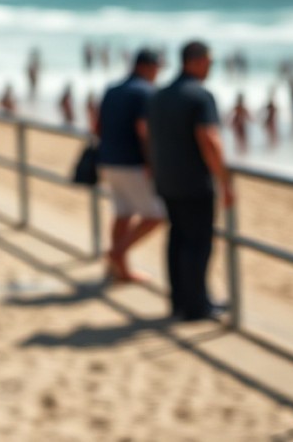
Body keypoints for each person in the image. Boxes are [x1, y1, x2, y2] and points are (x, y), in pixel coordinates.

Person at [148, 40, 234, 321]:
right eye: (209, 61)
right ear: (194, 61)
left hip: (167, 180)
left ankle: (178, 302)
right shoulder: (200, 95)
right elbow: (209, 139)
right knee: (198, 244)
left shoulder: (160, 94)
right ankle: (198, 306)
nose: (211, 67)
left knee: (176, 241)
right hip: (195, 183)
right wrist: (225, 181)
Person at [95, 49, 166, 283]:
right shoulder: (146, 92)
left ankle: (121, 271)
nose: (158, 73)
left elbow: (97, 125)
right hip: (133, 163)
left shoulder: (112, 89)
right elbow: (144, 130)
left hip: (109, 159)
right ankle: (116, 254)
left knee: (123, 213)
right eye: (158, 68)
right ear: (147, 66)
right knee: (156, 215)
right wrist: (152, 162)